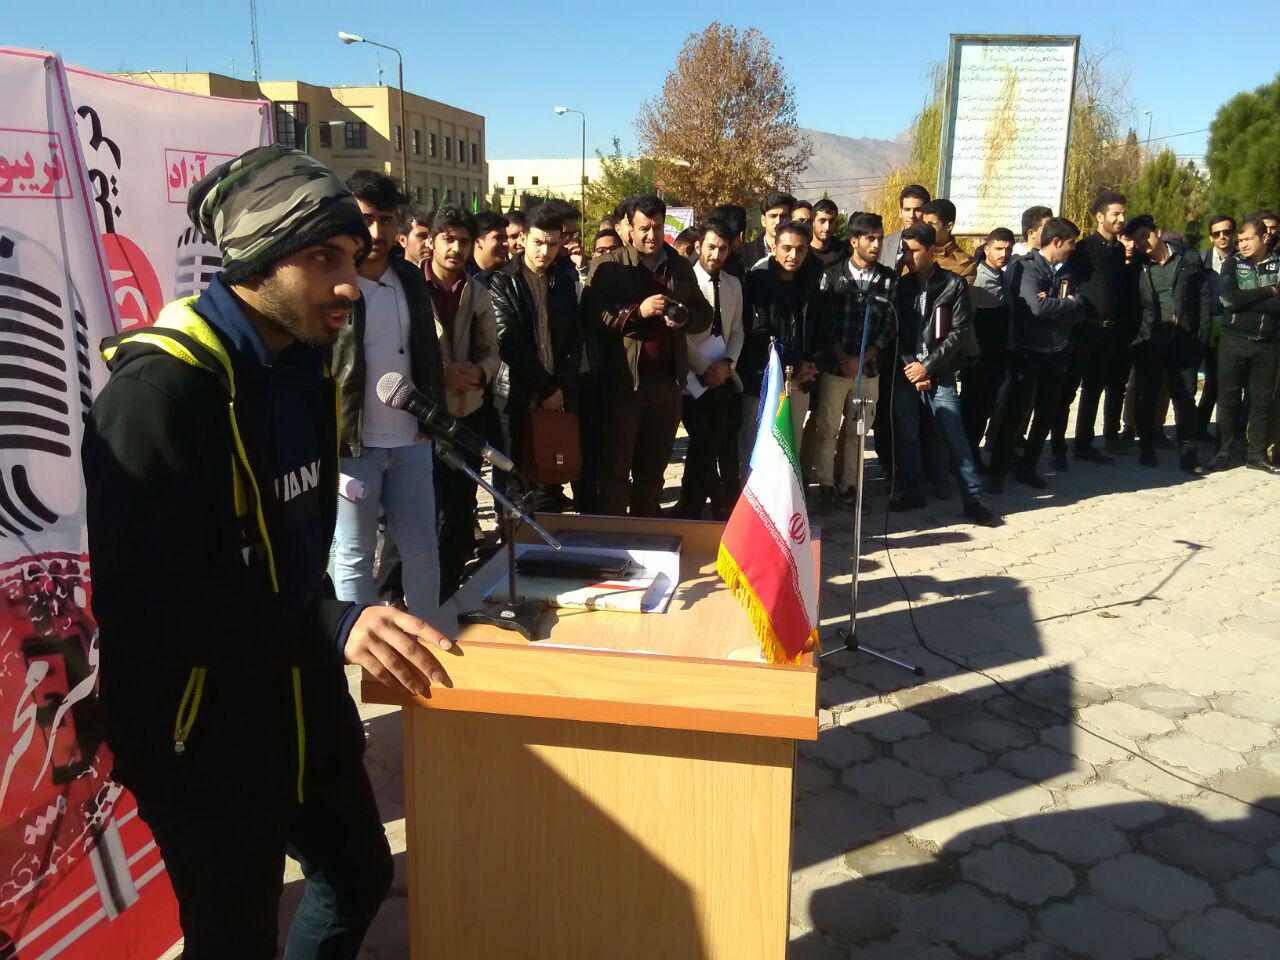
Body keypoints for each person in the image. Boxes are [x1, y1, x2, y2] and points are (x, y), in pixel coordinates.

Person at [83, 145, 452, 960]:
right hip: (198, 734)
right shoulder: (157, 396)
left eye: (352, 257)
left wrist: (328, 635)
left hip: (300, 699)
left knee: (358, 874)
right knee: (235, 940)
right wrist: (331, 625)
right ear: (255, 259)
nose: (350, 284)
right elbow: (146, 611)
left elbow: (296, 556)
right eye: (324, 259)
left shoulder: (304, 365)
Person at [331, 169, 445, 619]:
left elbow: (427, 353)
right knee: (354, 555)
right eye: (366, 219)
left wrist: (431, 420)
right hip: (352, 446)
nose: (376, 232)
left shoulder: (411, 279)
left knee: (422, 549)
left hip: (411, 440)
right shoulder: (331, 281)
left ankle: (427, 635)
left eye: (386, 219)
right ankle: (356, 644)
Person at [585, 194, 712, 516]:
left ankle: (646, 529)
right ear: (629, 228)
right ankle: (616, 534)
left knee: (653, 469)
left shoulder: (680, 266)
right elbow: (592, 315)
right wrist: (635, 312)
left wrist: (684, 317)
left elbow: (704, 314)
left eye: (656, 227)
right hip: (624, 385)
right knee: (615, 469)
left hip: (667, 385)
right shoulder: (610, 266)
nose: (651, 235)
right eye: (643, 228)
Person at [889, 222, 997, 525]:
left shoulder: (953, 284)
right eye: (904, 251)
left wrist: (928, 367)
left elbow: (958, 332)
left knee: (954, 436)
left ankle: (973, 500)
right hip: (906, 372)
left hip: (940, 372)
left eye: (914, 251)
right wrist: (912, 367)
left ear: (931, 251)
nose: (908, 257)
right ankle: (913, 492)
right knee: (907, 436)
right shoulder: (901, 286)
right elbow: (895, 331)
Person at [424, 205, 501, 598]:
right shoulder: (409, 288)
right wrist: (442, 374)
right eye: (448, 239)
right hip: (420, 417)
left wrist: (481, 374)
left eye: (464, 241)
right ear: (432, 241)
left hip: (468, 413)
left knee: (459, 511)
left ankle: (448, 594)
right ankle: (406, 596)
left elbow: (492, 350)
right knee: (424, 514)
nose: (456, 248)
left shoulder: (477, 291)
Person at [489, 203, 584, 506]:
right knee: (515, 484)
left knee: (551, 476)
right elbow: (507, 342)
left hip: (556, 397)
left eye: (552, 244)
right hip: (516, 396)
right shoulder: (501, 280)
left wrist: (560, 389)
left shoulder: (564, 281)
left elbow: (573, 341)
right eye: (538, 242)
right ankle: (512, 533)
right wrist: (546, 389)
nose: (545, 251)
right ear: (524, 238)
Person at [987, 218, 1083, 492]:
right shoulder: (1026, 267)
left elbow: (1080, 309)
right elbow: (1035, 307)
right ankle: (998, 470)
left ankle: (1028, 467)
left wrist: (1057, 303)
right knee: (1015, 414)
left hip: (1057, 353)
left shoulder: (1068, 270)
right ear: (1056, 241)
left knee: (1046, 413)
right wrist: (1065, 303)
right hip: (1027, 352)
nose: (1073, 248)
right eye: (1071, 243)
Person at [811, 211, 895, 506]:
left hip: (868, 371)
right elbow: (824, 321)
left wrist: (863, 358)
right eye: (870, 238)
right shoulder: (832, 275)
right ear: (854, 241)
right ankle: (825, 482)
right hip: (836, 369)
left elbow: (888, 326)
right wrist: (843, 358)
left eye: (880, 239)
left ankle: (850, 483)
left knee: (858, 430)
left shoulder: (888, 279)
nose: (876, 245)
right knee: (827, 428)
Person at [1122, 214, 1209, 473]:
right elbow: (1131, 306)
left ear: (1158, 232)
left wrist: (1202, 334)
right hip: (1150, 340)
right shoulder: (1138, 267)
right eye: (1137, 240)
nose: (1142, 243)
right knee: (1147, 396)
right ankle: (1147, 448)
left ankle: (1188, 452)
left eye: (1145, 236)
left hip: (1183, 340)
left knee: (1185, 397)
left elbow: (1203, 296)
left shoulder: (1188, 259)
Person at [670, 218, 744, 519]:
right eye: (711, 247)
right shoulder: (684, 281)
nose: (716, 254)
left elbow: (737, 330)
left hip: (722, 375)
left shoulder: (733, 284)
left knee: (715, 442)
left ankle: (695, 502)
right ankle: (707, 499)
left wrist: (726, 364)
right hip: (691, 377)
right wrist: (704, 367)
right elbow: (679, 333)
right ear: (699, 246)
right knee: (702, 439)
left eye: (723, 249)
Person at [1052, 191, 1132, 468]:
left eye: (1123, 213)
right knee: (1068, 391)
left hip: (1108, 332)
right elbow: (1068, 282)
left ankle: (1084, 444)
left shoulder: (1118, 250)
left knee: (1094, 388)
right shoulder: (1084, 248)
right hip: (1084, 329)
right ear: (1100, 216)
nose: (1121, 218)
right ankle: (1057, 447)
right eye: (1115, 214)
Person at [739, 219, 823, 465]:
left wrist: (813, 363)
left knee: (788, 451)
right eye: (787, 248)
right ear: (775, 247)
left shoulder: (812, 281)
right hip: (763, 378)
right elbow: (758, 332)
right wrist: (793, 364)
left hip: (800, 379)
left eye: (800, 249)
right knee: (756, 451)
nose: (793, 255)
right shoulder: (758, 280)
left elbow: (818, 327)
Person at [1213, 215, 1280, 474]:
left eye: (1248, 239)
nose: (1242, 244)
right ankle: (1223, 452)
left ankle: (1256, 455)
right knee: (1228, 399)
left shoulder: (1277, 264)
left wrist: (1246, 299)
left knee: (1261, 401)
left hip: (1267, 343)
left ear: (1264, 237)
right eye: (1240, 240)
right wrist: (1269, 291)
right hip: (1234, 341)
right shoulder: (1232, 263)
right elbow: (1229, 300)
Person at [962, 227, 1015, 471]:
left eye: (1008, 249)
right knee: (973, 410)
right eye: (999, 248)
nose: (1004, 254)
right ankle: (966, 458)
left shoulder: (1003, 277)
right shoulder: (977, 279)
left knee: (986, 408)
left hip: (997, 355)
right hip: (978, 357)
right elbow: (968, 321)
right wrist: (973, 353)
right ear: (986, 249)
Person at [1198, 214, 1236, 437]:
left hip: (1233, 326)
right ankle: (1196, 427)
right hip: (1205, 324)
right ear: (1211, 237)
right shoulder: (1200, 260)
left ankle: (1227, 432)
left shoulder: (1242, 260)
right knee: (1206, 380)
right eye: (1216, 233)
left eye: (1227, 232)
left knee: (1224, 381)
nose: (1222, 237)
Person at [737, 191, 796, 273]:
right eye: (773, 216)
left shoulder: (799, 253)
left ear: (791, 219)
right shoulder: (744, 253)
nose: (778, 221)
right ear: (763, 221)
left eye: (783, 216)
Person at [922, 198, 977, 284]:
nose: (925, 229)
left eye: (931, 225)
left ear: (949, 226)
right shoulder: (914, 255)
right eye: (923, 224)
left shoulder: (965, 266)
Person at [879, 184, 930, 269]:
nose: (911, 215)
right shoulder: (884, 244)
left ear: (926, 213)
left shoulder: (934, 245)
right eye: (907, 209)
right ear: (900, 213)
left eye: (917, 210)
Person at [467, 210, 510, 289]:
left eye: (506, 238)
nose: (506, 244)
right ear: (478, 242)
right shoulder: (462, 278)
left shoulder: (512, 277)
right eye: (498, 238)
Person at [809, 198, 846, 266]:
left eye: (831, 221)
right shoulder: (802, 251)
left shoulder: (843, 252)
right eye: (822, 221)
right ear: (813, 222)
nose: (827, 227)